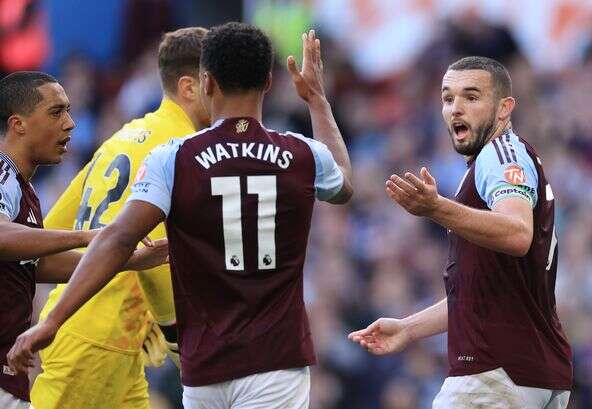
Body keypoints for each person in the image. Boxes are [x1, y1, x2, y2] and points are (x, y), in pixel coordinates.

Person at [8, 23, 353, 408]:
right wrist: (174, 337)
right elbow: (146, 255)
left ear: (209, 82)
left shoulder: (133, 141)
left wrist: (60, 308)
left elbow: (51, 238)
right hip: (113, 341)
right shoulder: (282, 153)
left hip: (128, 348)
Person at [349, 56, 572, 408]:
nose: (456, 108)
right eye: (448, 98)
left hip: (495, 374)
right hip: (529, 373)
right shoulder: (493, 161)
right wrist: (409, 328)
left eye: (471, 97)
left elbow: (517, 234)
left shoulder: (499, 155)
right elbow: (482, 293)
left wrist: (435, 208)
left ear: (504, 109)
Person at [30, 27, 210, 409]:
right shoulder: (183, 151)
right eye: (219, 83)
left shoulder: (122, 137)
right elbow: (156, 253)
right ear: (191, 87)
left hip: (102, 338)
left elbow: (52, 229)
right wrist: (179, 342)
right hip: (97, 344)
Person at [0, 71, 167, 409]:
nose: (70, 124)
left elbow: (37, 264)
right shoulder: (2, 173)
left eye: (69, 111)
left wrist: (126, 259)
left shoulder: (24, 189)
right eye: (56, 112)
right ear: (18, 124)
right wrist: (88, 236)